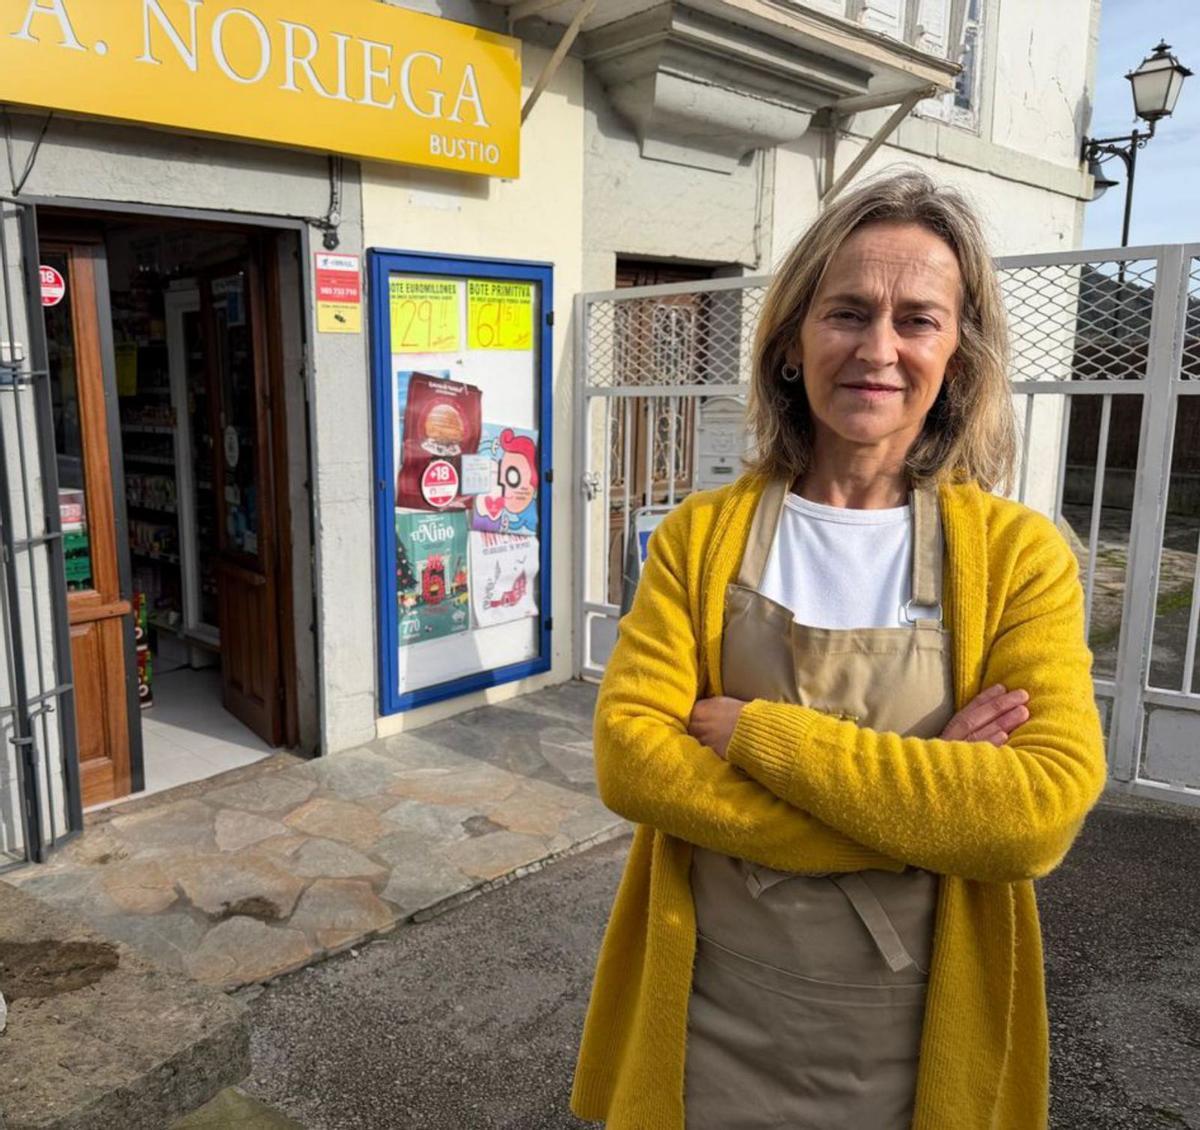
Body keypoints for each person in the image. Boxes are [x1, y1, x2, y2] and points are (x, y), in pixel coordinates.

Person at [570, 171, 1106, 1130]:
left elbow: (1034, 814)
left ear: (958, 356)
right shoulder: (701, 537)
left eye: (919, 321)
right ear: (791, 343)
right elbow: (631, 759)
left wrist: (763, 737)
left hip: (912, 1045)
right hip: (707, 1027)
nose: (878, 349)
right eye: (847, 312)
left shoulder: (1018, 557)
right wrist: (926, 809)